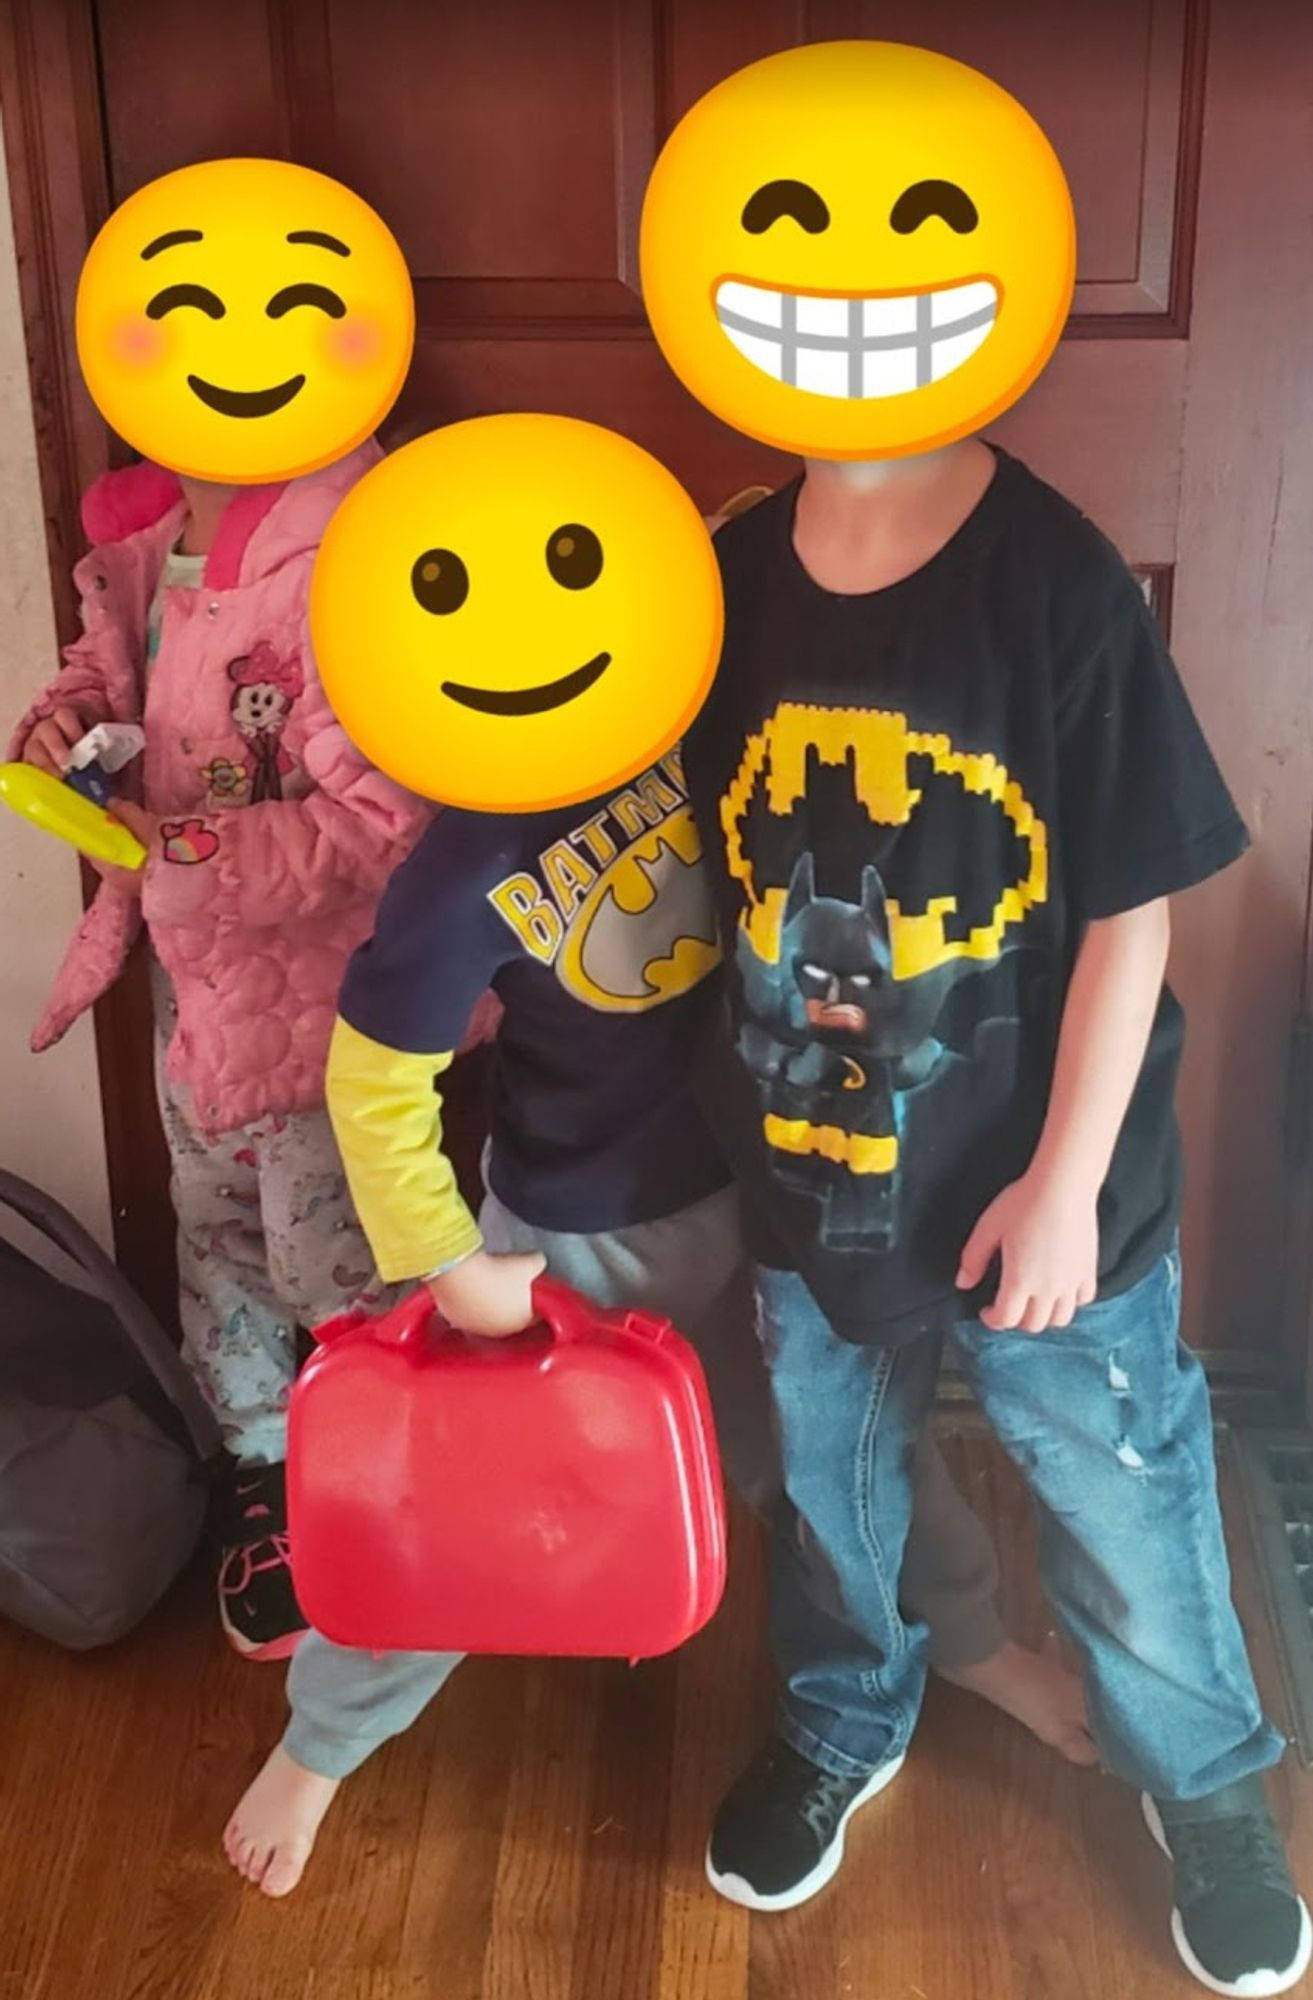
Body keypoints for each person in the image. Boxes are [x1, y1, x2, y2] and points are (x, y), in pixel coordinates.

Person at [223, 750, 1096, 1898]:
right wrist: (447, 1260)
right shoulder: (474, 849)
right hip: (574, 1244)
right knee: (461, 1505)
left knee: (840, 1457)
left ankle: (970, 1637)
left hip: (768, 1194)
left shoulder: (707, 731)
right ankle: (319, 1746)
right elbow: (376, 1075)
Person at [676, 442, 1308, 1997]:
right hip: (811, 1166)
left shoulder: (1054, 577)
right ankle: (842, 1712)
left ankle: (1204, 1783)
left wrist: (1067, 1185)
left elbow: (1130, 910)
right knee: (834, 1478)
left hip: (1045, 1187)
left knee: (1121, 1493)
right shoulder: (723, 577)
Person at [9, 447, 464, 1660]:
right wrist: (65, 728)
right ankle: (262, 1481)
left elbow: (378, 819)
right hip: (192, 993)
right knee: (212, 1235)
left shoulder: (342, 556)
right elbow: (111, 689)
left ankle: (386, 1481)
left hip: (321, 1005)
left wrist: (191, 853)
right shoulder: (144, 542)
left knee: (340, 1266)